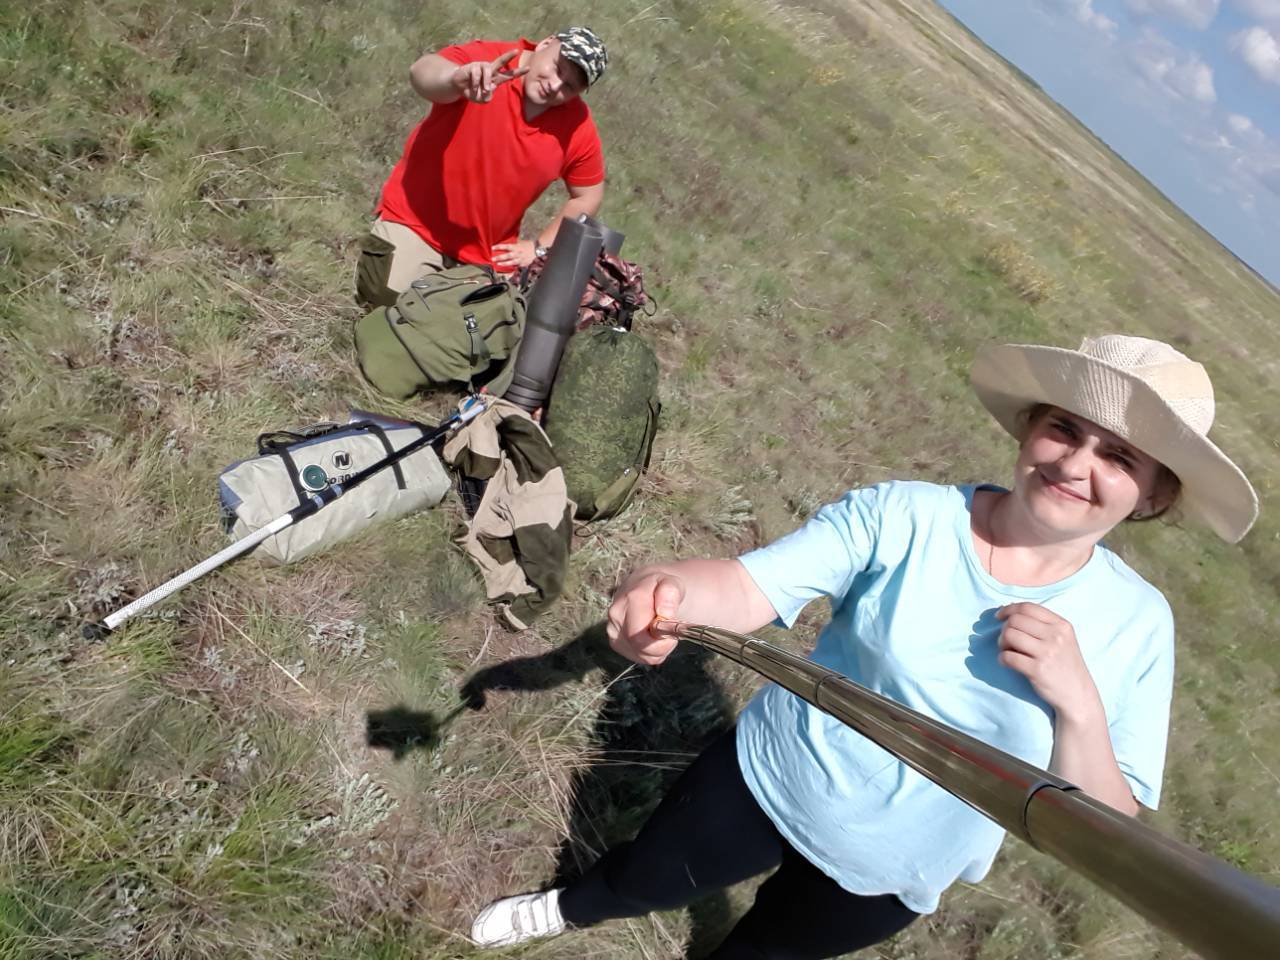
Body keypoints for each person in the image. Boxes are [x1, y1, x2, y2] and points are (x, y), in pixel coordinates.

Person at [468, 334, 1259, 957]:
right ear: (1031, 427)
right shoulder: (907, 516)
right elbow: (749, 587)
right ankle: (569, 906)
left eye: (1118, 456)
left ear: (1154, 493)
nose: (1076, 464)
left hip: (891, 874)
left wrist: (1079, 706)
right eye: (1066, 429)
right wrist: (664, 583)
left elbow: (1106, 831)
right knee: (643, 878)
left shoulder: (1138, 624)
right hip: (768, 779)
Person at [355, 27, 608, 306]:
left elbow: (588, 195)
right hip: (414, 223)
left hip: (484, 256)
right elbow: (422, 71)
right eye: (557, 68)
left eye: (570, 86)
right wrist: (454, 79)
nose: (555, 85)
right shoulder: (487, 61)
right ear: (545, 44)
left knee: (474, 337)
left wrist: (538, 248)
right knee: (385, 301)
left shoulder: (577, 126)